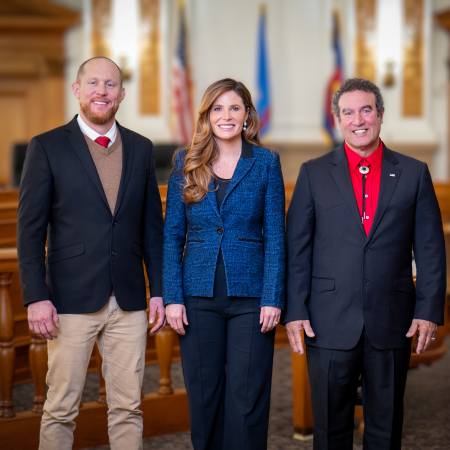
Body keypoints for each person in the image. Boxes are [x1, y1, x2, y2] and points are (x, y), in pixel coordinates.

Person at [283, 78, 446, 450]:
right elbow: (297, 249)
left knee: (385, 430)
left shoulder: (414, 172)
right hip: (326, 321)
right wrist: (294, 310)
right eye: (348, 111)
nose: (359, 119)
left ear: (381, 114)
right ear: (338, 119)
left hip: (393, 320)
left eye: (366, 109)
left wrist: (429, 310)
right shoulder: (312, 173)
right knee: (330, 430)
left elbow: (431, 250)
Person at [17, 56, 166, 450]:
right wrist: (36, 297)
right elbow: (29, 232)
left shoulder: (141, 148)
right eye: (94, 83)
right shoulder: (46, 147)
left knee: (128, 407)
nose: (102, 91)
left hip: (130, 300)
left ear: (121, 94)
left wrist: (159, 290)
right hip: (68, 300)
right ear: (77, 89)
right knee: (60, 408)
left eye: (111, 85)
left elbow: (153, 229)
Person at [162, 78, 285, 450]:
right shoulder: (186, 161)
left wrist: (273, 297)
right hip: (196, 297)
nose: (226, 116)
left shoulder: (265, 162)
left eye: (235, 107)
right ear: (207, 115)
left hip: (252, 299)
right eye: (217, 108)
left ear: (247, 114)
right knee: (204, 394)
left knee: (247, 396)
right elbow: (171, 236)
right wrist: (172, 296)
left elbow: (276, 234)